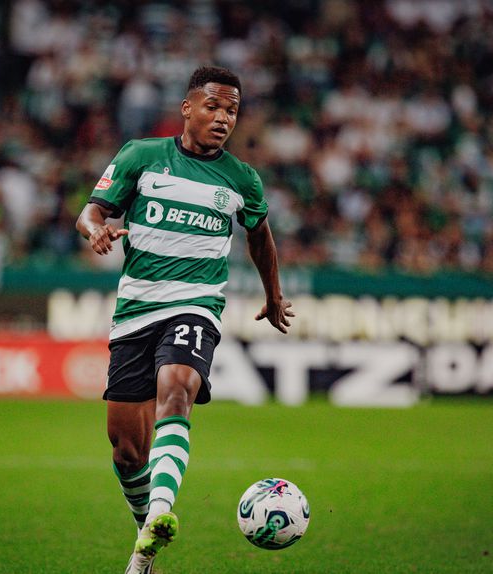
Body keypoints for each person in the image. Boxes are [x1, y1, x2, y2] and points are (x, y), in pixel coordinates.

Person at [76, 66, 294, 574]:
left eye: (232, 111)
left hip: (195, 304)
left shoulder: (241, 179)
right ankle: (145, 542)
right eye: (213, 106)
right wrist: (95, 230)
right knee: (127, 450)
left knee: (177, 388)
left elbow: (260, 237)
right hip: (135, 312)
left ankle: (161, 510)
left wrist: (274, 295)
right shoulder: (141, 156)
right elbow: (90, 211)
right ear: (187, 108)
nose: (223, 118)